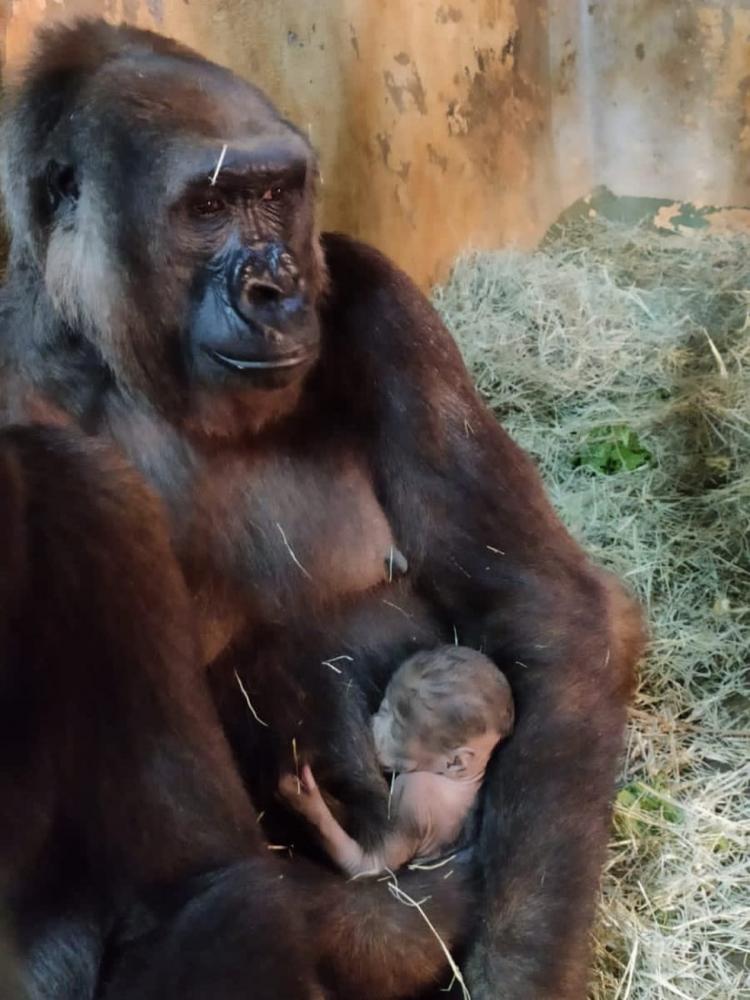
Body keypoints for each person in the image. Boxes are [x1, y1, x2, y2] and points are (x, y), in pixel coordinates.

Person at [279, 646, 514, 877]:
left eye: (395, 731)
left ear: (456, 762)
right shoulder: (479, 770)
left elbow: (366, 868)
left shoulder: (419, 795)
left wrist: (317, 815)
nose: (373, 727)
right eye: (384, 709)